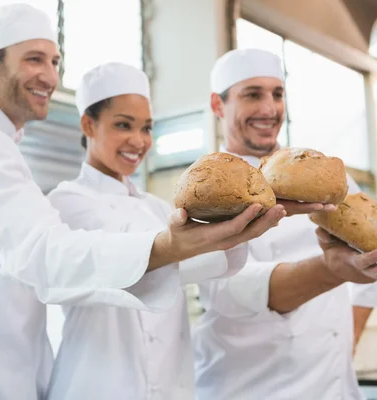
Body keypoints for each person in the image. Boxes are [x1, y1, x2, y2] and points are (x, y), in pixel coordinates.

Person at [0, 6, 286, 399]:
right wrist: (168, 246)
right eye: (34, 59)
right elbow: (43, 253)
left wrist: (237, 229)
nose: (50, 76)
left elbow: (170, 267)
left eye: (54, 61)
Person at [191, 48, 377, 400]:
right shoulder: (212, 186)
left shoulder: (321, 175)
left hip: (333, 384)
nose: (269, 108)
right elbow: (230, 291)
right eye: (253, 94)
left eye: (277, 94)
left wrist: (349, 332)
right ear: (217, 105)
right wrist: (333, 270)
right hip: (250, 387)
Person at [44, 62, 263, 399]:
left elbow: (204, 265)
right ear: (89, 124)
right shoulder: (65, 201)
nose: (138, 140)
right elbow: (129, 257)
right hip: (95, 383)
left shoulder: (158, 207)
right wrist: (198, 241)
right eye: (123, 125)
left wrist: (243, 224)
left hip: (169, 383)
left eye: (146, 128)